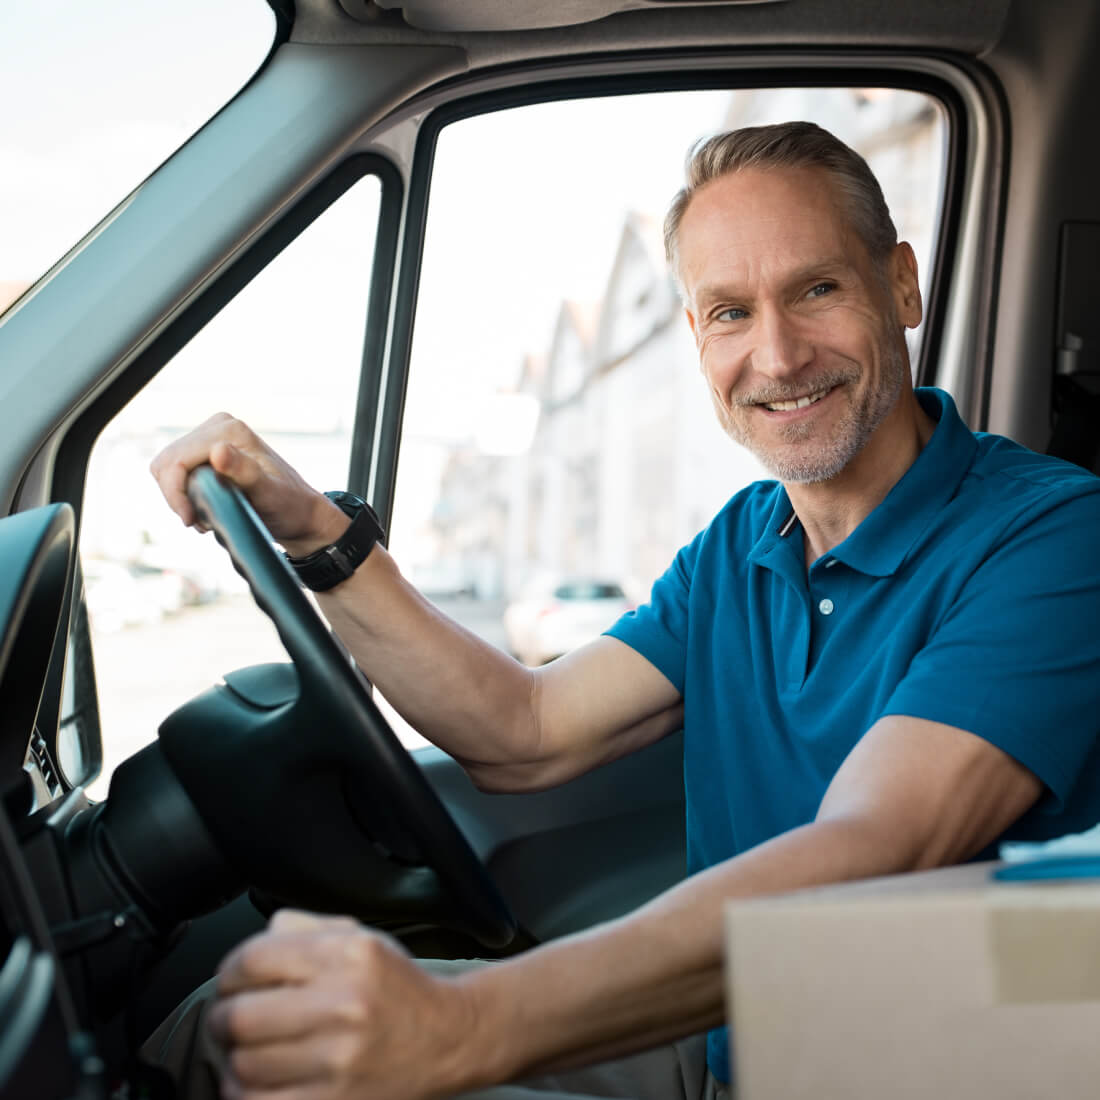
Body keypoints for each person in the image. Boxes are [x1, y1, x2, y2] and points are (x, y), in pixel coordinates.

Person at [146, 121, 1100, 1100]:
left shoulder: (1051, 536)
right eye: (729, 312)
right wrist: (318, 534)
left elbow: (872, 852)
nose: (775, 355)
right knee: (227, 1036)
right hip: (737, 1046)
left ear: (898, 284)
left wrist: (467, 1025)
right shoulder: (741, 543)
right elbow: (522, 729)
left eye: (814, 288)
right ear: (697, 338)